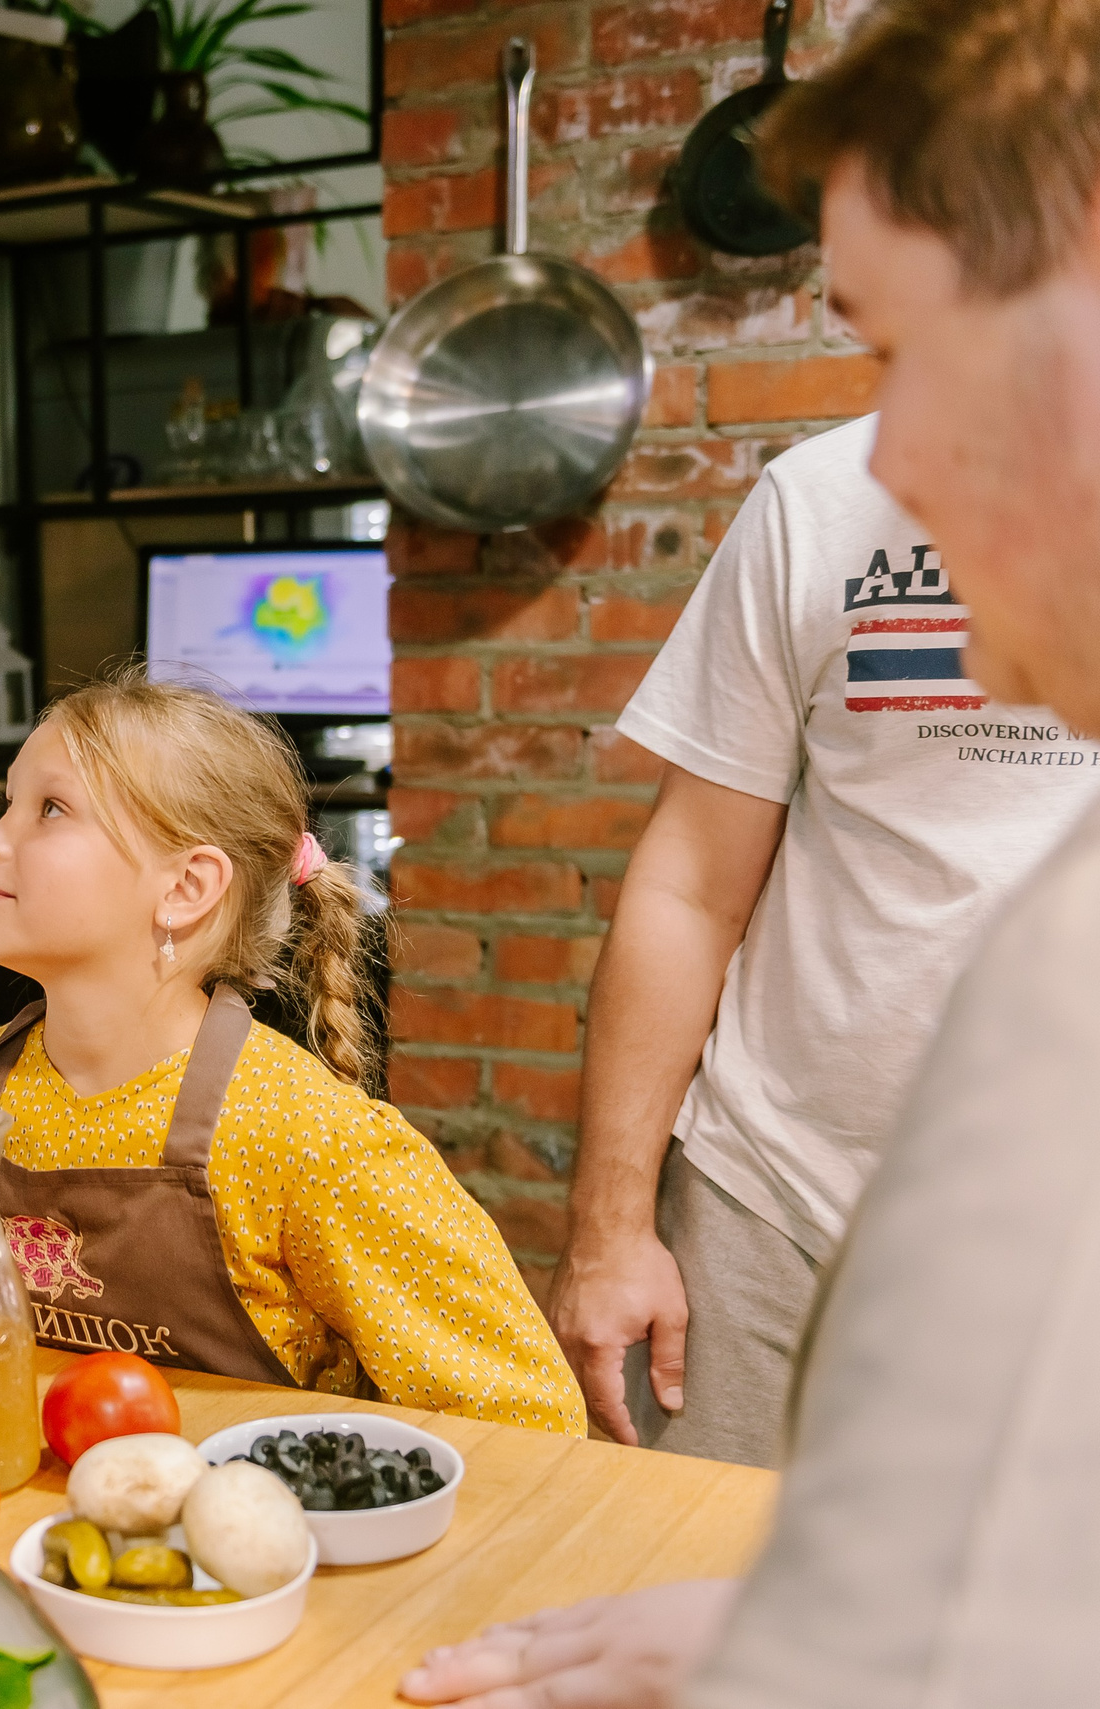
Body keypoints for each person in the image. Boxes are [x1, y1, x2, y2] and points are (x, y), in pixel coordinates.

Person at [400, 1, 1100, 1702]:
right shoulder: (822, 508)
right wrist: (796, 1622)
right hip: (786, 1192)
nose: (902, 457)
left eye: (912, 350)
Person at [0, 676, 583, 1433]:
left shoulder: (307, 1139)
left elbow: (525, 1417)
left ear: (186, 888)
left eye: (50, 809)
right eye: (5, 804)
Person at [545, 414, 1100, 1467]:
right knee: (678, 1588)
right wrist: (609, 1226)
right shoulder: (826, 495)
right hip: (772, 1210)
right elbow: (689, 885)